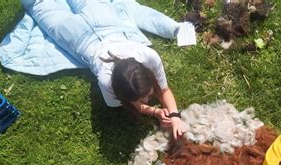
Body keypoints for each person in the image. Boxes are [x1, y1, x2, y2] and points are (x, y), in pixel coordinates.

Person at [12, 0, 188, 139]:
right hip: (79, 36)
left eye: (147, 96)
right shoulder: (107, 79)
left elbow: (164, 90)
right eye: (147, 97)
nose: (149, 99)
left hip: (101, 24)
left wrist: (174, 115)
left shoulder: (148, 56)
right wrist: (155, 111)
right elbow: (158, 92)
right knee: (39, 4)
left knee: (41, 4)